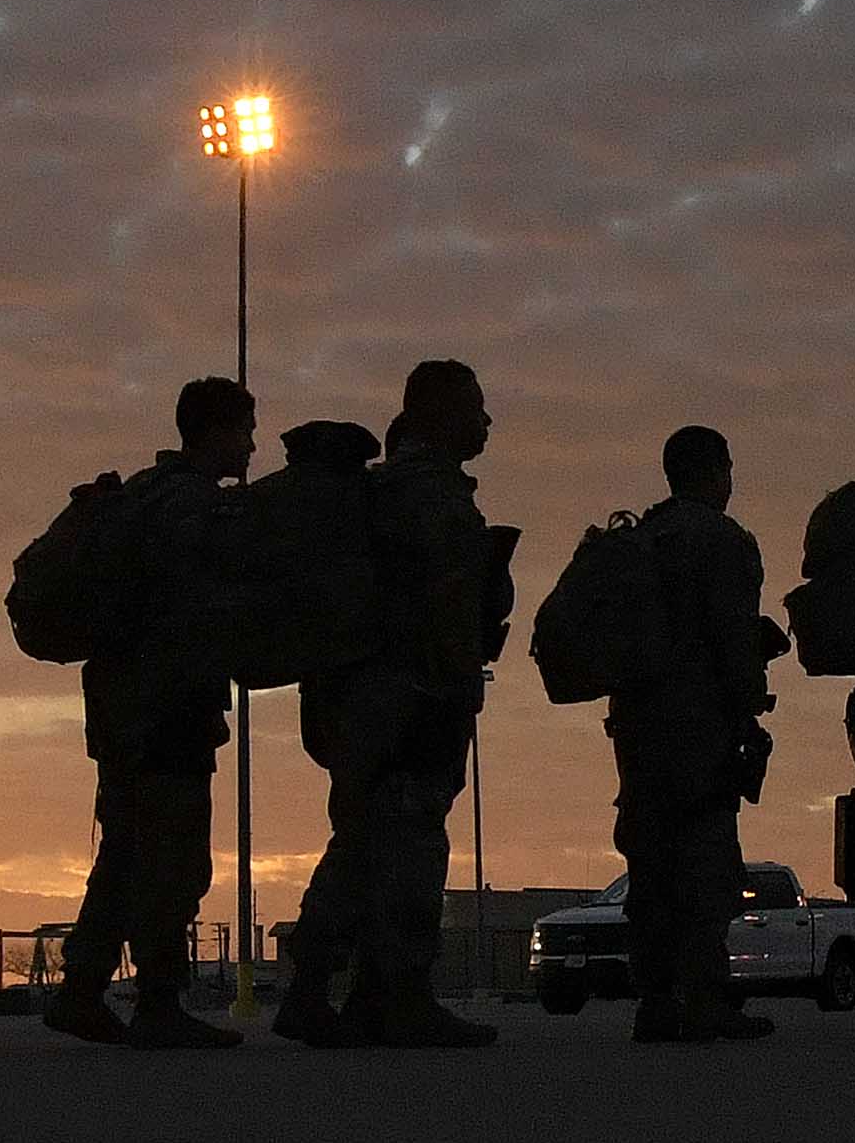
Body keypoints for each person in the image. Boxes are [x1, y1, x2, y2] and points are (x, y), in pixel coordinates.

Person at [272, 361, 508, 1050]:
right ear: (437, 413)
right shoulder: (428, 496)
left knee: (365, 841)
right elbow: (443, 608)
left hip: (367, 701)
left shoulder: (384, 493)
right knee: (402, 846)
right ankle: (393, 994)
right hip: (410, 700)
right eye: (475, 407)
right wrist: (451, 687)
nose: (486, 421)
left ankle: (348, 993)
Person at [42, 378, 253, 1050]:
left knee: (127, 853)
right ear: (214, 432)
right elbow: (202, 605)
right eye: (244, 430)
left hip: (121, 706)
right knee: (172, 860)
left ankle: (81, 991)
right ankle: (159, 1001)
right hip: (167, 706)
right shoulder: (190, 506)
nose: (250, 444)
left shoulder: (139, 495)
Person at [599, 428, 783, 1047]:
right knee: (706, 860)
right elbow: (733, 642)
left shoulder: (641, 537)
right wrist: (747, 703)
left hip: (635, 727)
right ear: (717, 471)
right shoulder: (723, 541)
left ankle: (654, 1000)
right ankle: (704, 998)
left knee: (650, 867)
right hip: (698, 726)